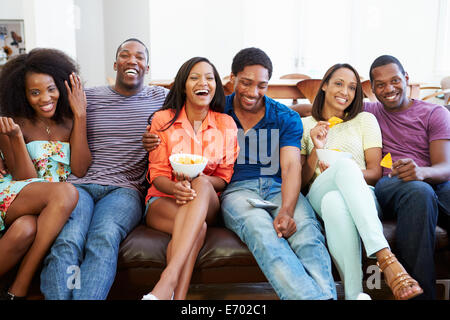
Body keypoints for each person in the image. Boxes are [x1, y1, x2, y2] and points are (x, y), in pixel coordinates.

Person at [40, 38, 169, 300]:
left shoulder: (161, 98)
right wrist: (80, 115)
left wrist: (157, 142)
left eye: (139, 56)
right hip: (81, 185)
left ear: (147, 67)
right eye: (125, 54)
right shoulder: (89, 97)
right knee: (68, 240)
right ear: (115, 64)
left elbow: (202, 102)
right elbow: (79, 164)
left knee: (104, 237)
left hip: (125, 190)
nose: (132, 60)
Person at [219, 48, 336, 300]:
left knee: (308, 235)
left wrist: (287, 210)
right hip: (238, 190)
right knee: (263, 233)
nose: (253, 92)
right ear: (232, 79)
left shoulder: (285, 116)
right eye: (246, 83)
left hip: (277, 187)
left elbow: (292, 167)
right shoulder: (217, 111)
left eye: (262, 85)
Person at [300, 63, 423, 300]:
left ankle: (354, 295)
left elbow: (375, 172)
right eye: (338, 83)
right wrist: (318, 149)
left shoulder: (365, 120)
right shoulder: (305, 125)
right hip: (317, 191)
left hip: (362, 194)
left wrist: (342, 171)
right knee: (341, 171)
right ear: (324, 85)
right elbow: (303, 181)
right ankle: (385, 257)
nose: (345, 92)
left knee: (335, 200)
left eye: (352, 87)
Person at [141, 57, 239, 300]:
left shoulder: (226, 124)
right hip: (163, 200)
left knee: (203, 183)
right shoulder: (162, 121)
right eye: (194, 77)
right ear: (183, 85)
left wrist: (197, 181)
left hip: (208, 203)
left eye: (209, 77)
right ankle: (176, 297)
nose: (202, 82)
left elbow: (224, 178)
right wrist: (176, 189)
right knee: (198, 228)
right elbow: (158, 175)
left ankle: (166, 281)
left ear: (216, 85)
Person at [0, 48, 90, 299]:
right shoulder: (12, 122)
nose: (45, 98)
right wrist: (17, 138)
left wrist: (80, 116)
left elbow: (80, 168)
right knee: (67, 192)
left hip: (51, 205)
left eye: (51, 89)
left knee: (26, 229)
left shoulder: (69, 119)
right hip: (17, 193)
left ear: (61, 86)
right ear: (23, 95)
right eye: (35, 92)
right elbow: (23, 180)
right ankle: (21, 283)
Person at [367, 55, 450, 300]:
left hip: (434, 181)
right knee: (419, 191)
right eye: (380, 85)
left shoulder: (434, 113)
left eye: (394, 80)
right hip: (391, 186)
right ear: (372, 89)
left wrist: (421, 172)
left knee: (427, 190)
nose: (388, 88)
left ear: (406, 79)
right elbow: (328, 105)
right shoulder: (369, 112)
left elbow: (445, 166)